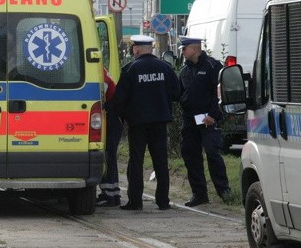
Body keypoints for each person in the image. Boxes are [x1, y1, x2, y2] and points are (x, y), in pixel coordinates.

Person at [113, 35, 180, 211]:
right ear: (150, 48)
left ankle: (135, 201)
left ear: (136, 49)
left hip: (137, 123)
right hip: (160, 122)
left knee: (136, 161)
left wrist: (123, 117)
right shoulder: (165, 68)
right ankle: (163, 201)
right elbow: (177, 93)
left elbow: (118, 99)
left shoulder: (130, 69)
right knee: (161, 161)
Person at [178, 36, 232, 207]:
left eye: (184, 48)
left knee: (212, 153)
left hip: (208, 119)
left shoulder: (212, 66)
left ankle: (224, 192)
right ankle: (199, 194)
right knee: (191, 155)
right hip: (190, 120)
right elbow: (181, 92)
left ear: (194, 49)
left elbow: (219, 93)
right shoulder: (185, 70)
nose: (182, 51)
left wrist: (213, 115)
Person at [96, 68, 123, 207]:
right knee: (109, 156)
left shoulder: (98, 72)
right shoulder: (101, 70)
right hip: (112, 117)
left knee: (108, 156)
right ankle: (112, 193)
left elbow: (101, 93)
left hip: (110, 118)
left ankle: (109, 195)